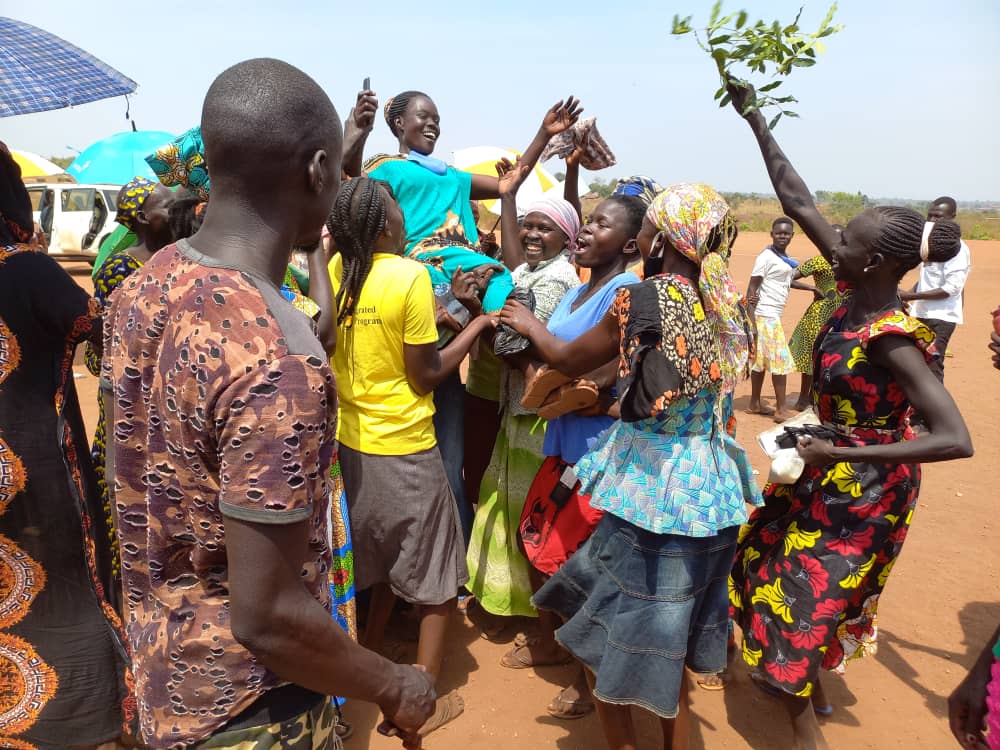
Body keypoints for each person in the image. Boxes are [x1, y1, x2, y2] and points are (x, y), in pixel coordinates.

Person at [101, 59, 435, 748]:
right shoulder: (276, 356)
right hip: (249, 712)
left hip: (161, 681)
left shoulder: (143, 286)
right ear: (318, 170)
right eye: (338, 172)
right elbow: (271, 619)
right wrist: (395, 684)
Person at [726, 78, 974, 750]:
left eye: (849, 240)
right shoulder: (845, 286)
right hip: (820, 463)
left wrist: (847, 454)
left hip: (866, 487)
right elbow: (797, 197)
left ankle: (804, 727)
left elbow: (955, 438)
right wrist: (755, 117)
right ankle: (807, 677)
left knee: (803, 597)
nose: (834, 242)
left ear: (881, 262)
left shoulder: (891, 337)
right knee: (758, 561)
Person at [499, 183, 760, 750]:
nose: (640, 235)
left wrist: (528, 328)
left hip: (653, 493)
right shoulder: (725, 301)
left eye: (645, 228)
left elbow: (568, 358)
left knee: (610, 645)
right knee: (669, 651)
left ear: (661, 238)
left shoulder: (640, 300)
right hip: (710, 491)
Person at [352, 90, 582, 533]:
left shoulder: (455, 177)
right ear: (398, 123)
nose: (434, 125)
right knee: (431, 345)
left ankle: (536, 375)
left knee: (513, 305)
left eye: (438, 118)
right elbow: (357, 200)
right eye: (424, 117)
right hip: (424, 268)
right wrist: (357, 138)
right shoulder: (385, 169)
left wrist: (542, 133)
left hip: (474, 264)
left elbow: (508, 183)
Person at [327, 175, 496, 737]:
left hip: (353, 446)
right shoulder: (410, 277)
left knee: (373, 561)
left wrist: (443, 321)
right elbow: (424, 377)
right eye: (399, 212)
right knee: (437, 576)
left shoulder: (336, 273)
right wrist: (476, 324)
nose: (408, 221)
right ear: (384, 225)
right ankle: (419, 698)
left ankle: (365, 670)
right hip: (405, 446)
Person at [0, 142, 132, 749]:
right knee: (67, 585)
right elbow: (95, 326)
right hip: (38, 468)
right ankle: (76, 718)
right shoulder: (27, 269)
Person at [501, 194, 644, 722]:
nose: (585, 232)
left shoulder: (625, 290)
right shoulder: (582, 290)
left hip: (599, 452)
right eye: (585, 223)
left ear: (630, 244)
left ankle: (591, 684)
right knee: (542, 545)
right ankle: (560, 647)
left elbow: (598, 363)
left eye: (600, 225)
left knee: (588, 569)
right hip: (563, 442)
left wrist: (529, 329)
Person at [465, 165, 581, 626]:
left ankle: (536, 615)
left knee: (526, 512)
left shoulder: (554, 281)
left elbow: (524, 353)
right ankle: (518, 605)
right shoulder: (534, 271)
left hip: (538, 415)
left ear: (565, 237)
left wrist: (478, 314)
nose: (531, 234)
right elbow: (515, 265)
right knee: (507, 502)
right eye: (528, 226)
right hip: (519, 408)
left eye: (543, 228)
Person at [84, 176, 176, 611]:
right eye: (166, 206)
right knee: (128, 518)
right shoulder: (120, 269)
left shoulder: (178, 262)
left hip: (167, 411)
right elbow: (110, 347)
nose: (176, 210)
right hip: (130, 408)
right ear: (141, 218)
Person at [899, 195, 972, 382]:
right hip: (922, 313)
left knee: (932, 366)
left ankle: (934, 410)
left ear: (952, 216)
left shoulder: (957, 249)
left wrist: (912, 295)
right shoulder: (932, 245)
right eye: (929, 215)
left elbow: (952, 288)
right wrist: (907, 296)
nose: (932, 220)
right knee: (917, 363)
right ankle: (918, 410)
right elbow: (926, 280)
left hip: (941, 317)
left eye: (938, 216)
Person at [747, 216, 799, 421]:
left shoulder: (784, 258)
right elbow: (752, 287)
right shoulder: (766, 257)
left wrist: (812, 288)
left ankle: (754, 403)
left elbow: (788, 282)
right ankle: (781, 409)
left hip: (772, 313)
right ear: (771, 234)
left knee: (760, 362)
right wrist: (751, 322)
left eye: (786, 234)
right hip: (765, 314)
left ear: (792, 235)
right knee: (780, 362)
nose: (782, 237)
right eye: (778, 233)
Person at [787, 252, 843, 411]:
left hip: (840, 316)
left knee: (829, 357)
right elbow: (788, 278)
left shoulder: (848, 262)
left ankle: (813, 398)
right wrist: (812, 287)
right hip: (819, 315)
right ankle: (803, 399)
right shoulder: (818, 261)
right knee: (811, 356)